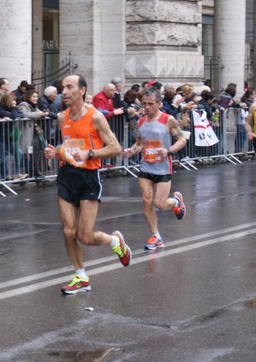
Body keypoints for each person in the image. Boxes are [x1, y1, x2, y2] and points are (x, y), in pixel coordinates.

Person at [43, 74, 131, 295]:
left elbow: (115, 148)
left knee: (85, 235)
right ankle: (81, 277)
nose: (64, 91)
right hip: (67, 175)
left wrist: (90, 153)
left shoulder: (95, 117)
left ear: (82, 91)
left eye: (69, 87)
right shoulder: (62, 117)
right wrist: (56, 153)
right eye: (62, 87)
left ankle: (115, 240)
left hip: (89, 177)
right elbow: (68, 145)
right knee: (68, 231)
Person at [123, 88, 187, 250]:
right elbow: (139, 144)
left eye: (151, 104)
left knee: (159, 203)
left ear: (159, 104)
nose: (147, 107)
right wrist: (131, 151)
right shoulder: (141, 122)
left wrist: (168, 151)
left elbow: (182, 139)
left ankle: (175, 202)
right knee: (146, 201)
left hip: (163, 167)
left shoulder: (168, 120)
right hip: (146, 166)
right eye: (144, 104)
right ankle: (156, 236)